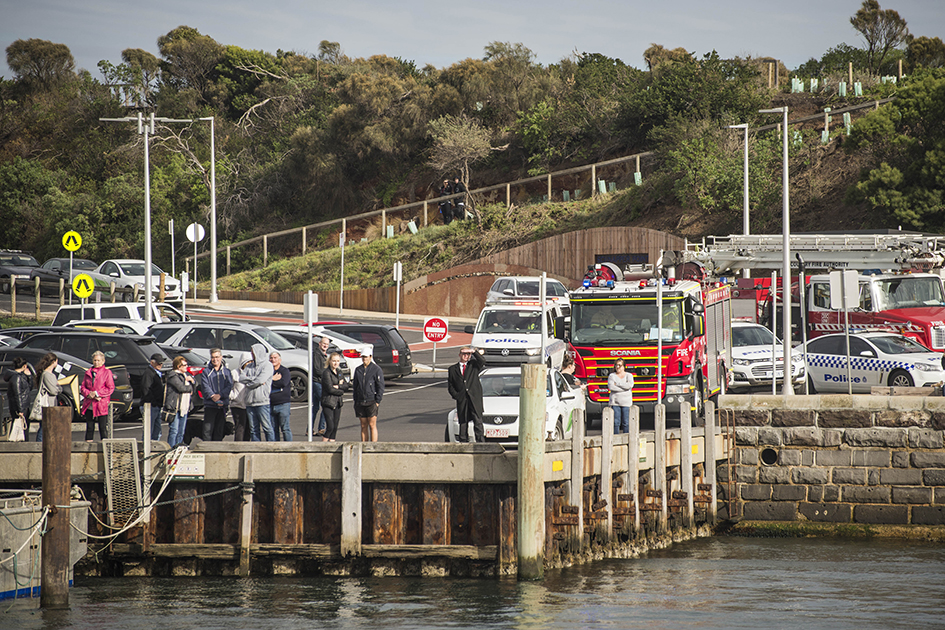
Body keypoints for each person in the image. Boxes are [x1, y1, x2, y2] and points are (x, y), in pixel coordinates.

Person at [447, 346, 486, 443]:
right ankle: (463, 442)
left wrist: (474, 351)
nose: (466, 356)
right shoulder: (453, 369)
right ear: (460, 355)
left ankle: (480, 442)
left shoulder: (473, 365)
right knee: (463, 423)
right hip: (462, 400)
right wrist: (457, 396)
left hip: (474, 399)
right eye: (464, 354)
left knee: (478, 422)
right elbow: (451, 385)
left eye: (468, 354)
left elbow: (482, 361)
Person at [242, 343, 275, 441]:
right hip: (250, 402)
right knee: (253, 429)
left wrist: (249, 381)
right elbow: (242, 378)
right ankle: (256, 448)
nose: (252, 355)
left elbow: (261, 380)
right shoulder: (249, 366)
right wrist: (254, 379)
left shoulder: (267, 366)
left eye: (253, 353)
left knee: (267, 427)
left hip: (262, 402)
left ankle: (271, 448)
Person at [81, 350, 115, 442]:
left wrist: (96, 393)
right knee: (90, 427)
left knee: (103, 428)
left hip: (101, 404)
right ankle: (88, 449)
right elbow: (83, 387)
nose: (96, 362)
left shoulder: (107, 372)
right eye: (95, 360)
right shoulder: (88, 372)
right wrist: (89, 394)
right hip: (89, 403)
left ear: (103, 361)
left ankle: (105, 448)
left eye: (99, 360)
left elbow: (110, 388)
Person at [200, 348, 233, 441]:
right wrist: (213, 397)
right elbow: (205, 386)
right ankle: (207, 450)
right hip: (210, 405)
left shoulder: (227, 371)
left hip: (222, 405)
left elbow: (229, 385)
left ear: (221, 357)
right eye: (213, 357)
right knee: (207, 430)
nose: (215, 359)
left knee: (219, 430)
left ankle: (216, 451)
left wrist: (220, 396)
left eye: (217, 357)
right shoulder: (206, 372)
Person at [352, 348, 384, 442]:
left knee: (372, 425)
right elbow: (355, 386)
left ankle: (373, 446)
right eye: (363, 357)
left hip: (371, 401)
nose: (364, 359)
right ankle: (364, 445)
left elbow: (380, 387)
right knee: (363, 425)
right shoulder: (358, 370)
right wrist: (356, 400)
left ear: (370, 357)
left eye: (366, 357)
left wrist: (377, 401)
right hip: (360, 401)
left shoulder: (376, 370)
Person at [164, 355, 195, 447]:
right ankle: (171, 448)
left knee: (181, 431)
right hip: (175, 407)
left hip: (184, 407)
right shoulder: (173, 375)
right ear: (178, 366)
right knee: (174, 430)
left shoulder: (185, 376)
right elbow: (181, 388)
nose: (186, 367)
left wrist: (192, 382)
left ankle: (178, 447)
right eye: (184, 365)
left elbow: (193, 387)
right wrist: (190, 386)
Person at [32, 353, 61, 443]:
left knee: (47, 425)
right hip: (47, 403)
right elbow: (53, 390)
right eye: (56, 361)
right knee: (44, 425)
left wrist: (57, 388)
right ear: (53, 362)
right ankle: (39, 443)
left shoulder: (50, 375)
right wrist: (58, 388)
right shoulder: (47, 375)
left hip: (50, 403)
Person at [320, 351, 349, 442]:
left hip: (338, 402)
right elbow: (329, 389)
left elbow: (346, 386)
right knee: (330, 426)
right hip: (328, 402)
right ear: (330, 361)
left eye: (337, 361)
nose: (336, 363)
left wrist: (338, 386)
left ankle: (332, 444)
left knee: (335, 427)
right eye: (334, 361)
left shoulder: (339, 372)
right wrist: (340, 390)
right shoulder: (326, 373)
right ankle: (323, 446)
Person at [6, 357, 34, 440]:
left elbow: (29, 388)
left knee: (23, 427)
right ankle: (19, 445)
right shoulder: (16, 377)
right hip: (20, 406)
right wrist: (20, 409)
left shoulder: (21, 376)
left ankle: (22, 443)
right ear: (24, 366)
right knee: (20, 428)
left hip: (23, 405)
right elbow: (17, 394)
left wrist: (29, 377)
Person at [140, 353, 165, 442]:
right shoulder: (148, 373)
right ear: (152, 362)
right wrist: (152, 402)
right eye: (158, 363)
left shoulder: (156, 373)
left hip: (157, 406)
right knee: (149, 430)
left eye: (161, 363)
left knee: (157, 430)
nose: (160, 365)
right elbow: (146, 389)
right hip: (150, 406)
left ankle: (154, 447)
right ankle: (145, 448)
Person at [270, 351, 292, 441]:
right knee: (273, 429)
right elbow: (263, 382)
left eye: (275, 358)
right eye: (271, 358)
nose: (273, 360)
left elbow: (283, 383)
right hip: (270, 404)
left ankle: (289, 448)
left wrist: (270, 382)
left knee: (285, 428)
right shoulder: (268, 371)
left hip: (283, 404)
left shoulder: (284, 371)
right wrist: (272, 379)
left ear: (280, 360)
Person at [229, 352, 252, 442]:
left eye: (251, 362)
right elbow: (228, 388)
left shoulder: (253, 373)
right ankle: (237, 449)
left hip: (249, 405)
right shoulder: (234, 373)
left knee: (248, 429)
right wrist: (233, 396)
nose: (249, 364)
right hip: (237, 405)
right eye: (247, 362)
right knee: (240, 428)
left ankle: (246, 449)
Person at [607, 358, 633, 434]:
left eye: (620, 365)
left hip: (626, 403)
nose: (617, 367)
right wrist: (624, 388)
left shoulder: (629, 375)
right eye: (616, 365)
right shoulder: (612, 376)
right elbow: (611, 387)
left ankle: (626, 438)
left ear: (624, 366)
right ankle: (615, 438)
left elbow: (629, 385)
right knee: (616, 422)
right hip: (615, 403)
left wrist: (617, 384)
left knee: (626, 423)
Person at [313, 336, 331, 437]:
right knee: (325, 404)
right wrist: (327, 375)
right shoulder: (317, 354)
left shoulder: (323, 354)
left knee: (315, 407)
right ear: (320, 343)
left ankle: (310, 429)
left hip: (320, 382)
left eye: (327, 344)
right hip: (317, 383)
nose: (325, 346)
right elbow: (317, 369)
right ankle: (321, 428)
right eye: (324, 343)